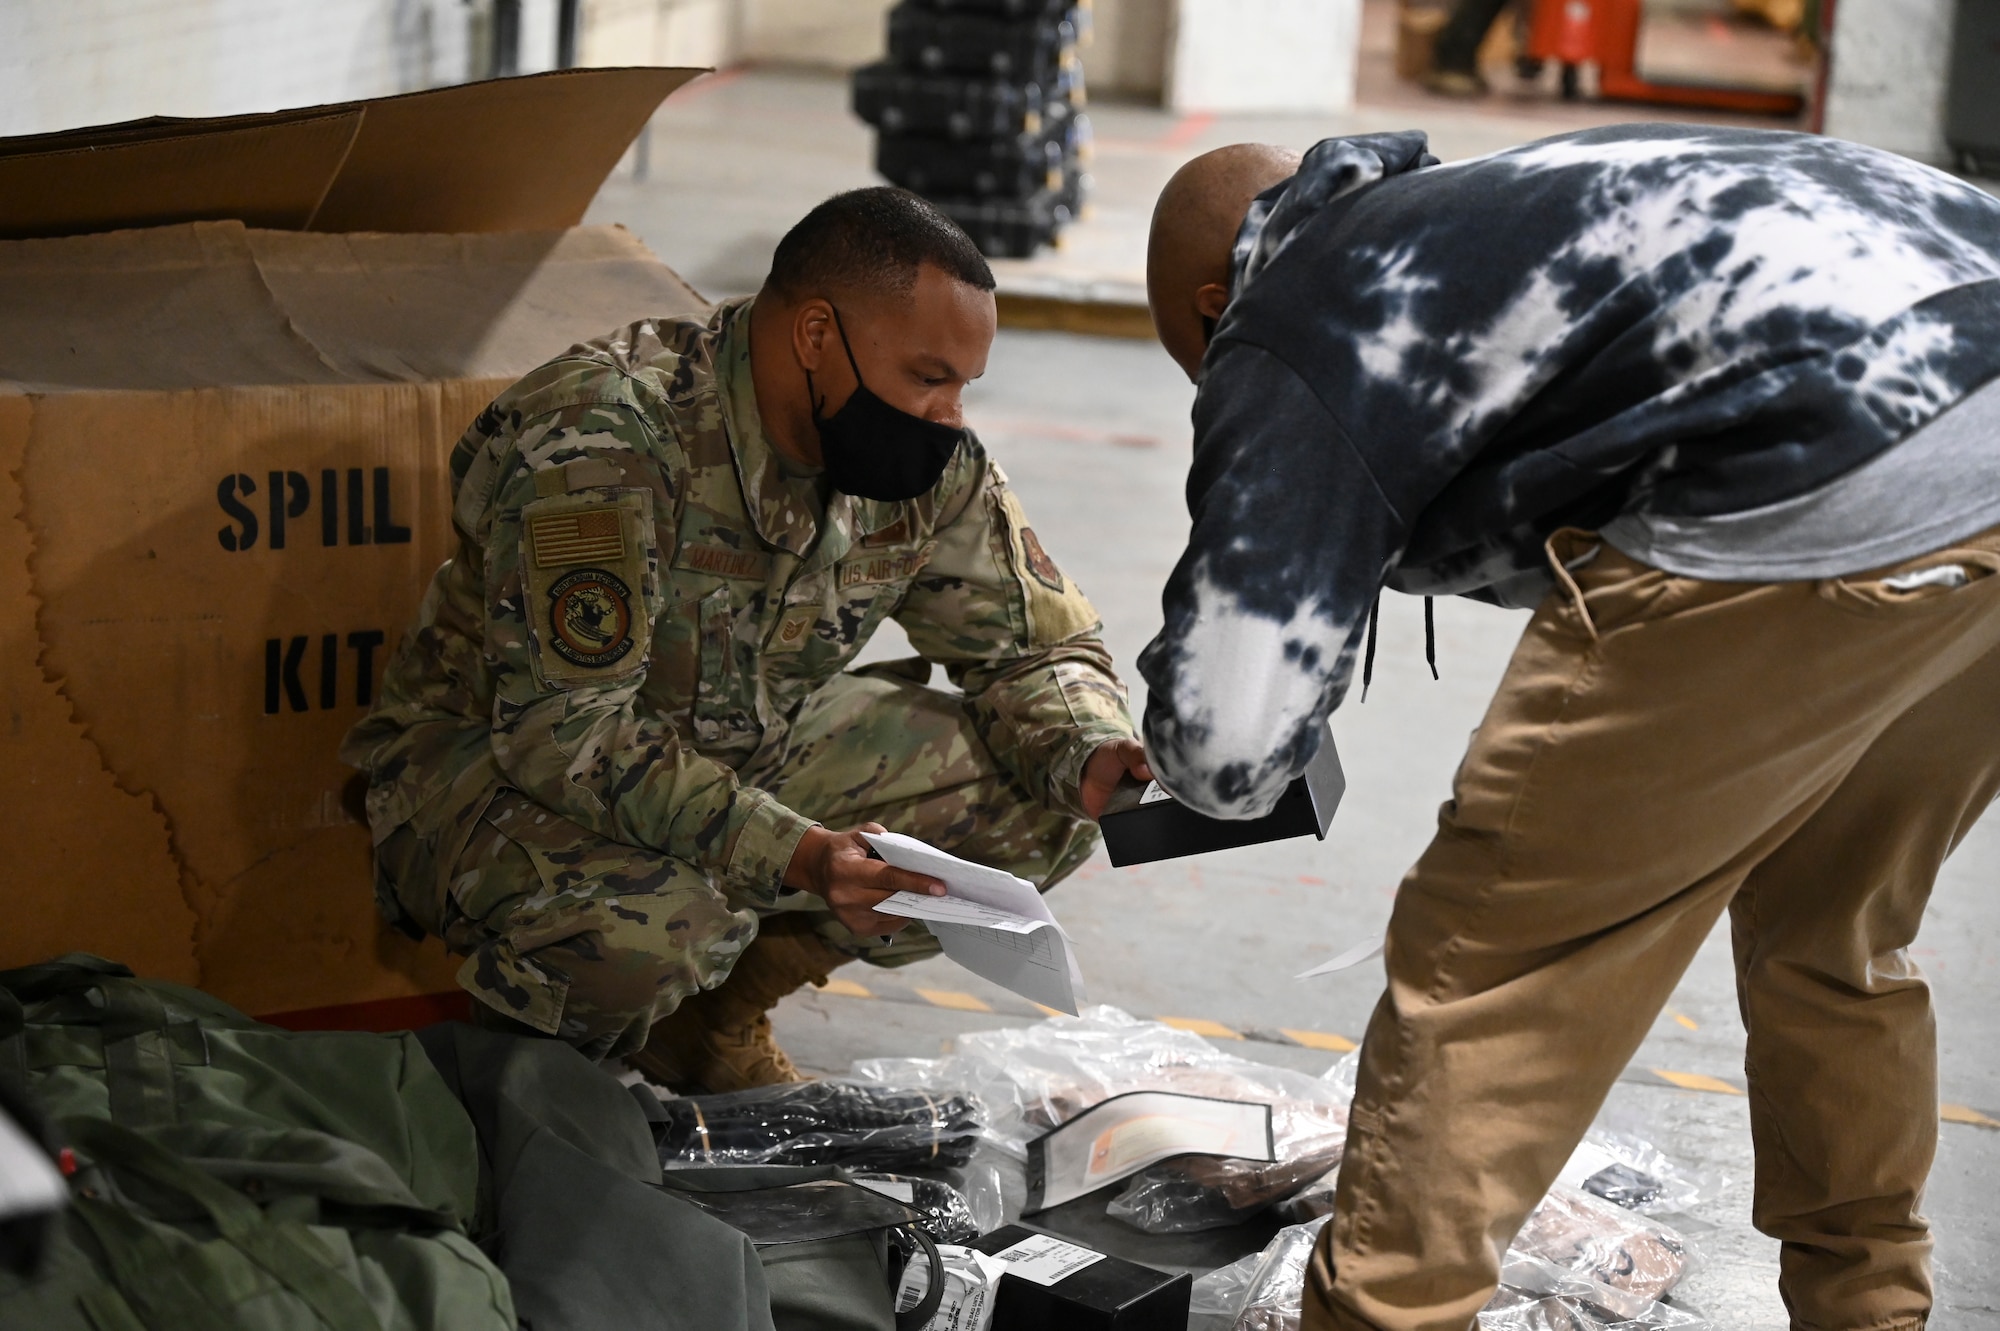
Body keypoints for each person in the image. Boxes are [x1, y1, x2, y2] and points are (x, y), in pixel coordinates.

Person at [1142, 126, 2000, 1330]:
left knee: (1492, 969)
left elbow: (1226, 752)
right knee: (1830, 925)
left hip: (1831, 456)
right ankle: (1869, 1306)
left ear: (1206, 301)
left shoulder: (1296, 305)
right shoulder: (1492, 210)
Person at [344, 187, 1149, 1092]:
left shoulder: (921, 465)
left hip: (737, 740)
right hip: (487, 769)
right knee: (656, 923)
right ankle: (523, 1096)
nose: (951, 414)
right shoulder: (605, 433)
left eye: (965, 384)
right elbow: (564, 734)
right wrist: (799, 852)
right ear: (816, 336)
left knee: (1038, 802)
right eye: (929, 376)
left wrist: (1088, 745)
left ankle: (707, 1026)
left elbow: (1031, 645)